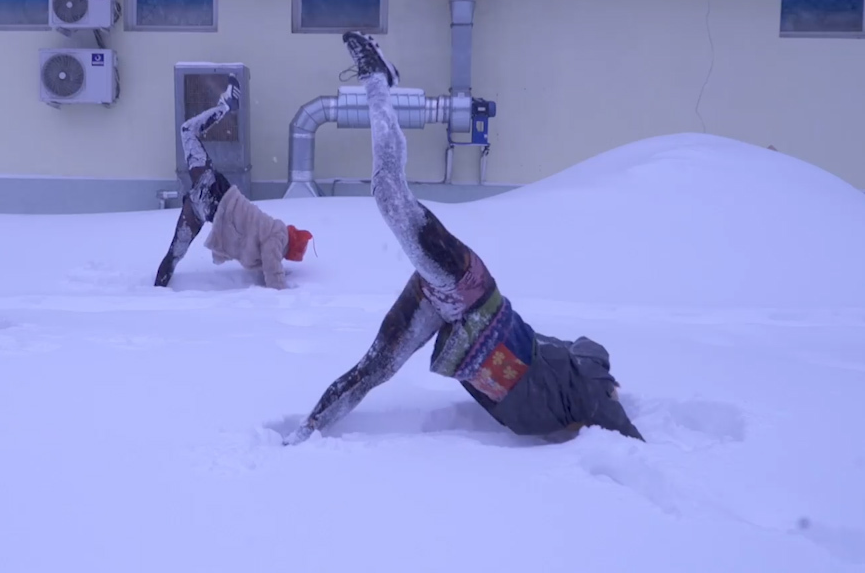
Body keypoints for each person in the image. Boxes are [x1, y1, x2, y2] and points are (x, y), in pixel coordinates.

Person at [282, 33, 644, 445]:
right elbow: (594, 359)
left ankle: (305, 432)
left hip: (456, 318)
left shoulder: (542, 415)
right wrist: (610, 388)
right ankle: (376, 79)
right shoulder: (591, 393)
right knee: (389, 196)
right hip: (468, 289)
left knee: (376, 368)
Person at [154, 74, 313, 290]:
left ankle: (225, 106)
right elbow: (269, 264)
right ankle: (155, 292)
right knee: (174, 255)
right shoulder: (272, 241)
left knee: (188, 131)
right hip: (207, 211)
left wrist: (281, 285)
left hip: (216, 194)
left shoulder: (276, 234)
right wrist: (280, 273)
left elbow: (273, 271)